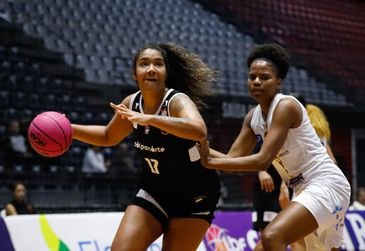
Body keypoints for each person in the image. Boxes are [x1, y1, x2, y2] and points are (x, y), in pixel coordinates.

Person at [198, 43, 351, 251]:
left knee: (272, 236)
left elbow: (262, 160)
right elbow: (230, 161)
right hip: (301, 187)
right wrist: (197, 145)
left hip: (325, 182)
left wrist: (210, 161)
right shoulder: (253, 118)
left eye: (264, 77)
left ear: (279, 82)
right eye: (252, 77)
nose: (257, 81)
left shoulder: (286, 106)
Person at [71, 42, 221, 251]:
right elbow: (107, 136)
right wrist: (69, 130)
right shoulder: (132, 103)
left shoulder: (176, 101)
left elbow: (198, 129)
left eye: (158, 64)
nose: (151, 68)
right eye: (144, 64)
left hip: (194, 195)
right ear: (135, 74)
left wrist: (149, 118)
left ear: (165, 73)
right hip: (155, 191)